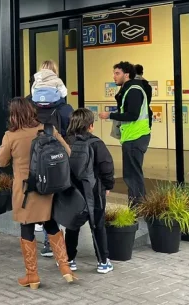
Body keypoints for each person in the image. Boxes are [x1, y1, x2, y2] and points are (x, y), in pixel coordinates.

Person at [0, 98, 76, 290]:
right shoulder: (48, 129)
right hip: (48, 188)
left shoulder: (11, 136)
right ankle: (65, 267)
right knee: (51, 223)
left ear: (13, 115)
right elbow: (67, 152)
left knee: (27, 228)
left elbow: (1, 161)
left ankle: (32, 276)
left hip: (26, 191)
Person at [29, 60, 74, 258]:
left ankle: (36, 226)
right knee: (55, 196)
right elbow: (71, 131)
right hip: (57, 156)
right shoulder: (64, 106)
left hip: (34, 155)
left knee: (37, 192)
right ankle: (51, 244)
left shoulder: (29, 103)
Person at [64, 108, 115, 274]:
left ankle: (69, 260)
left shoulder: (66, 142)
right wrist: (108, 185)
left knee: (72, 225)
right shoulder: (96, 143)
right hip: (94, 191)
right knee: (98, 225)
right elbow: (106, 166)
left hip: (72, 191)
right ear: (90, 125)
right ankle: (103, 262)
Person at [99, 61, 151, 203]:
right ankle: (136, 204)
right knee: (132, 174)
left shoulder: (133, 90)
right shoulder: (129, 89)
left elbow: (133, 115)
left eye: (117, 73)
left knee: (132, 175)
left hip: (135, 137)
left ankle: (137, 205)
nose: (114, 76)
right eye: (114, 73)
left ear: (126, 75)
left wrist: (110, 115)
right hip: (132, 136)